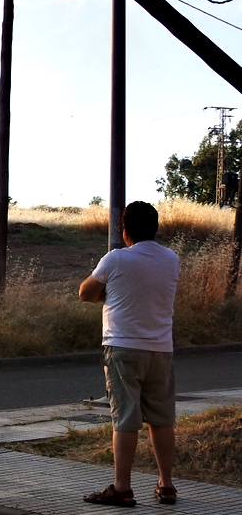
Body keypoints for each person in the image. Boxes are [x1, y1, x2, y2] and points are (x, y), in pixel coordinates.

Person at [78, 201, 179, 508]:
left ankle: (122, 487)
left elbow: (85, 293)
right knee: (162, 419)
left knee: (125, 419)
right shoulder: (171, 259)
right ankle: (166, 485)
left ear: (125, 230)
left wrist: (107, 296)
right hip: (161, 349)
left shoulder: (116, 259)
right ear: (156, 228)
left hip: (123, 347)